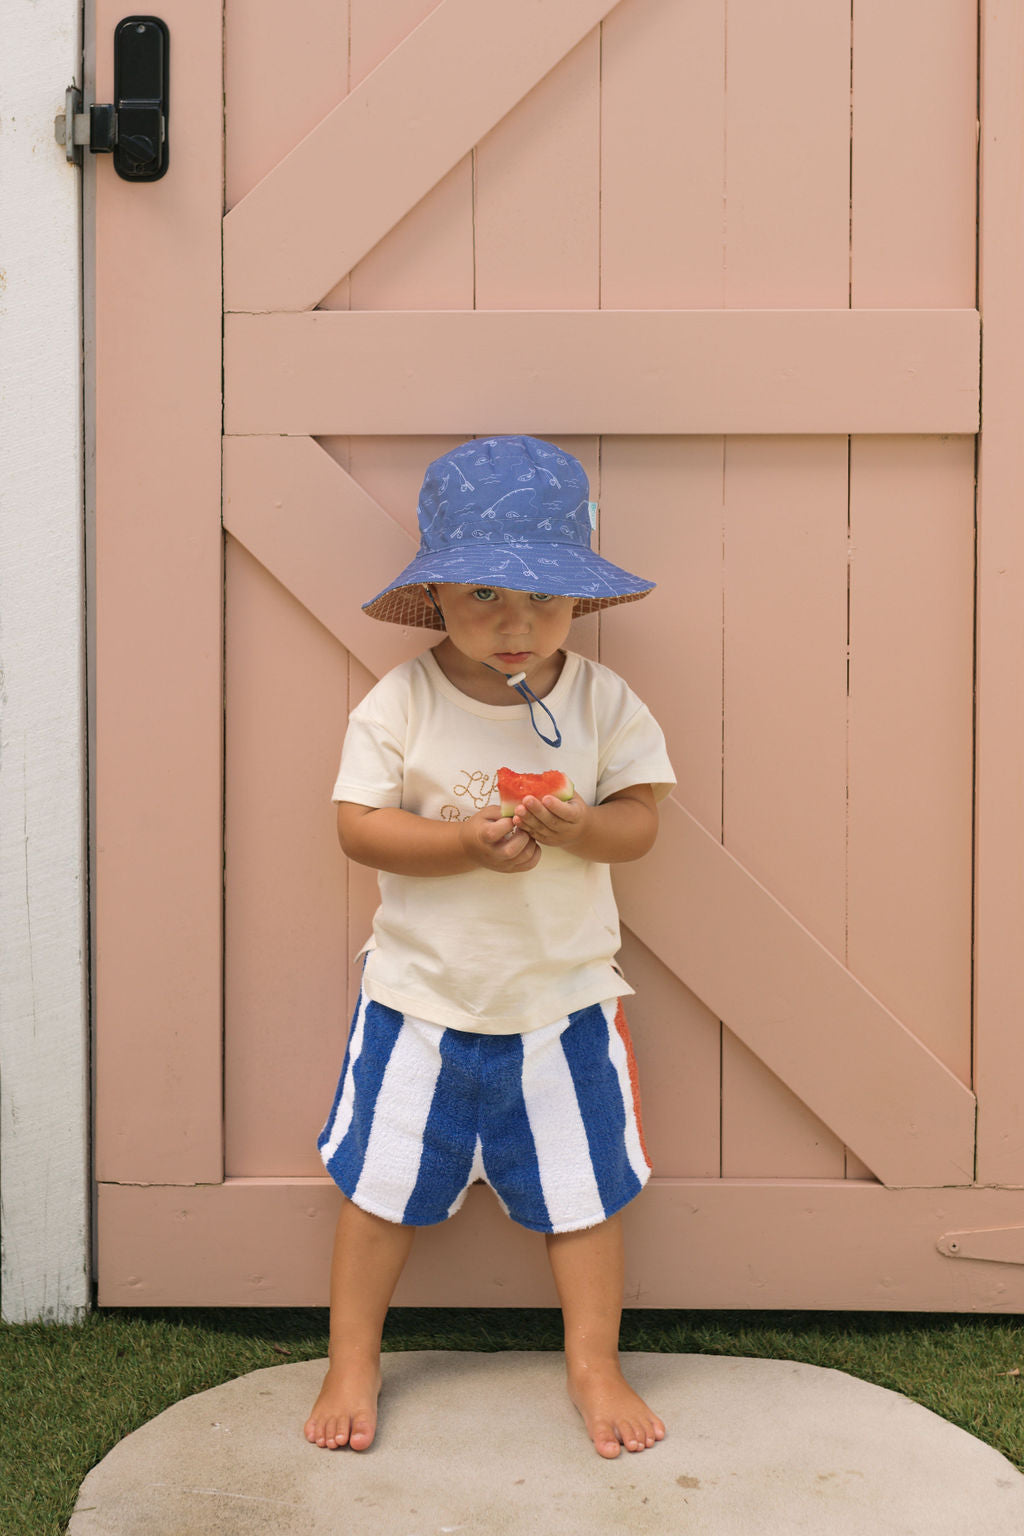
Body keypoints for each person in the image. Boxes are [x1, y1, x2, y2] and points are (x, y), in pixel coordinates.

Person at [304, 435, 676, 1460]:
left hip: (563, 1003)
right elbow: (358, 828)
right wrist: (461, 845)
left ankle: (594, 1365)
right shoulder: (402, 702)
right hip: (418, 1001)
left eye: (543, 599)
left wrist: (583, 827)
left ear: (578, 600)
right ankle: (351, 1359)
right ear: (434, 597)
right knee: (379, 1193)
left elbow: (641, 823)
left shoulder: (602, 701)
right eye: (482, 597)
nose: (516, 626)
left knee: (585, 1197)